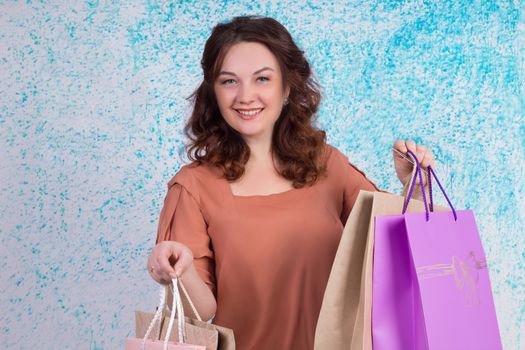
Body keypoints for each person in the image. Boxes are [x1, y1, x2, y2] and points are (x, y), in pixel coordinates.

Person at [147, 15, 435, 350]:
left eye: (262, 79)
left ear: (286, 88)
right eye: (229, 81)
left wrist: (414, 188)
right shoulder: (192, 188)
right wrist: (178, 272)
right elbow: (201, 311)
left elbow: (392, 255)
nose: (245, 95)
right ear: (213, 92)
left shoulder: (328, 165)